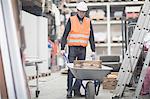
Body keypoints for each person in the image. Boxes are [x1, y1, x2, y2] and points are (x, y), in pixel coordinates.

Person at [61, 1, 95, 98]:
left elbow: (91, 36)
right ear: (77, 11)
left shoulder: (88, 21)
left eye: (84, 12)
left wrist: (93, 50)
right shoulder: (71, 20)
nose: (82, 13)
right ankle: (69, 91)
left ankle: (76, 90)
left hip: (82, 49)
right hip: (72, 48)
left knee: (80, 71)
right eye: (80, 11)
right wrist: (62, 47)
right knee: (71, 70)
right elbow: (65, 34)